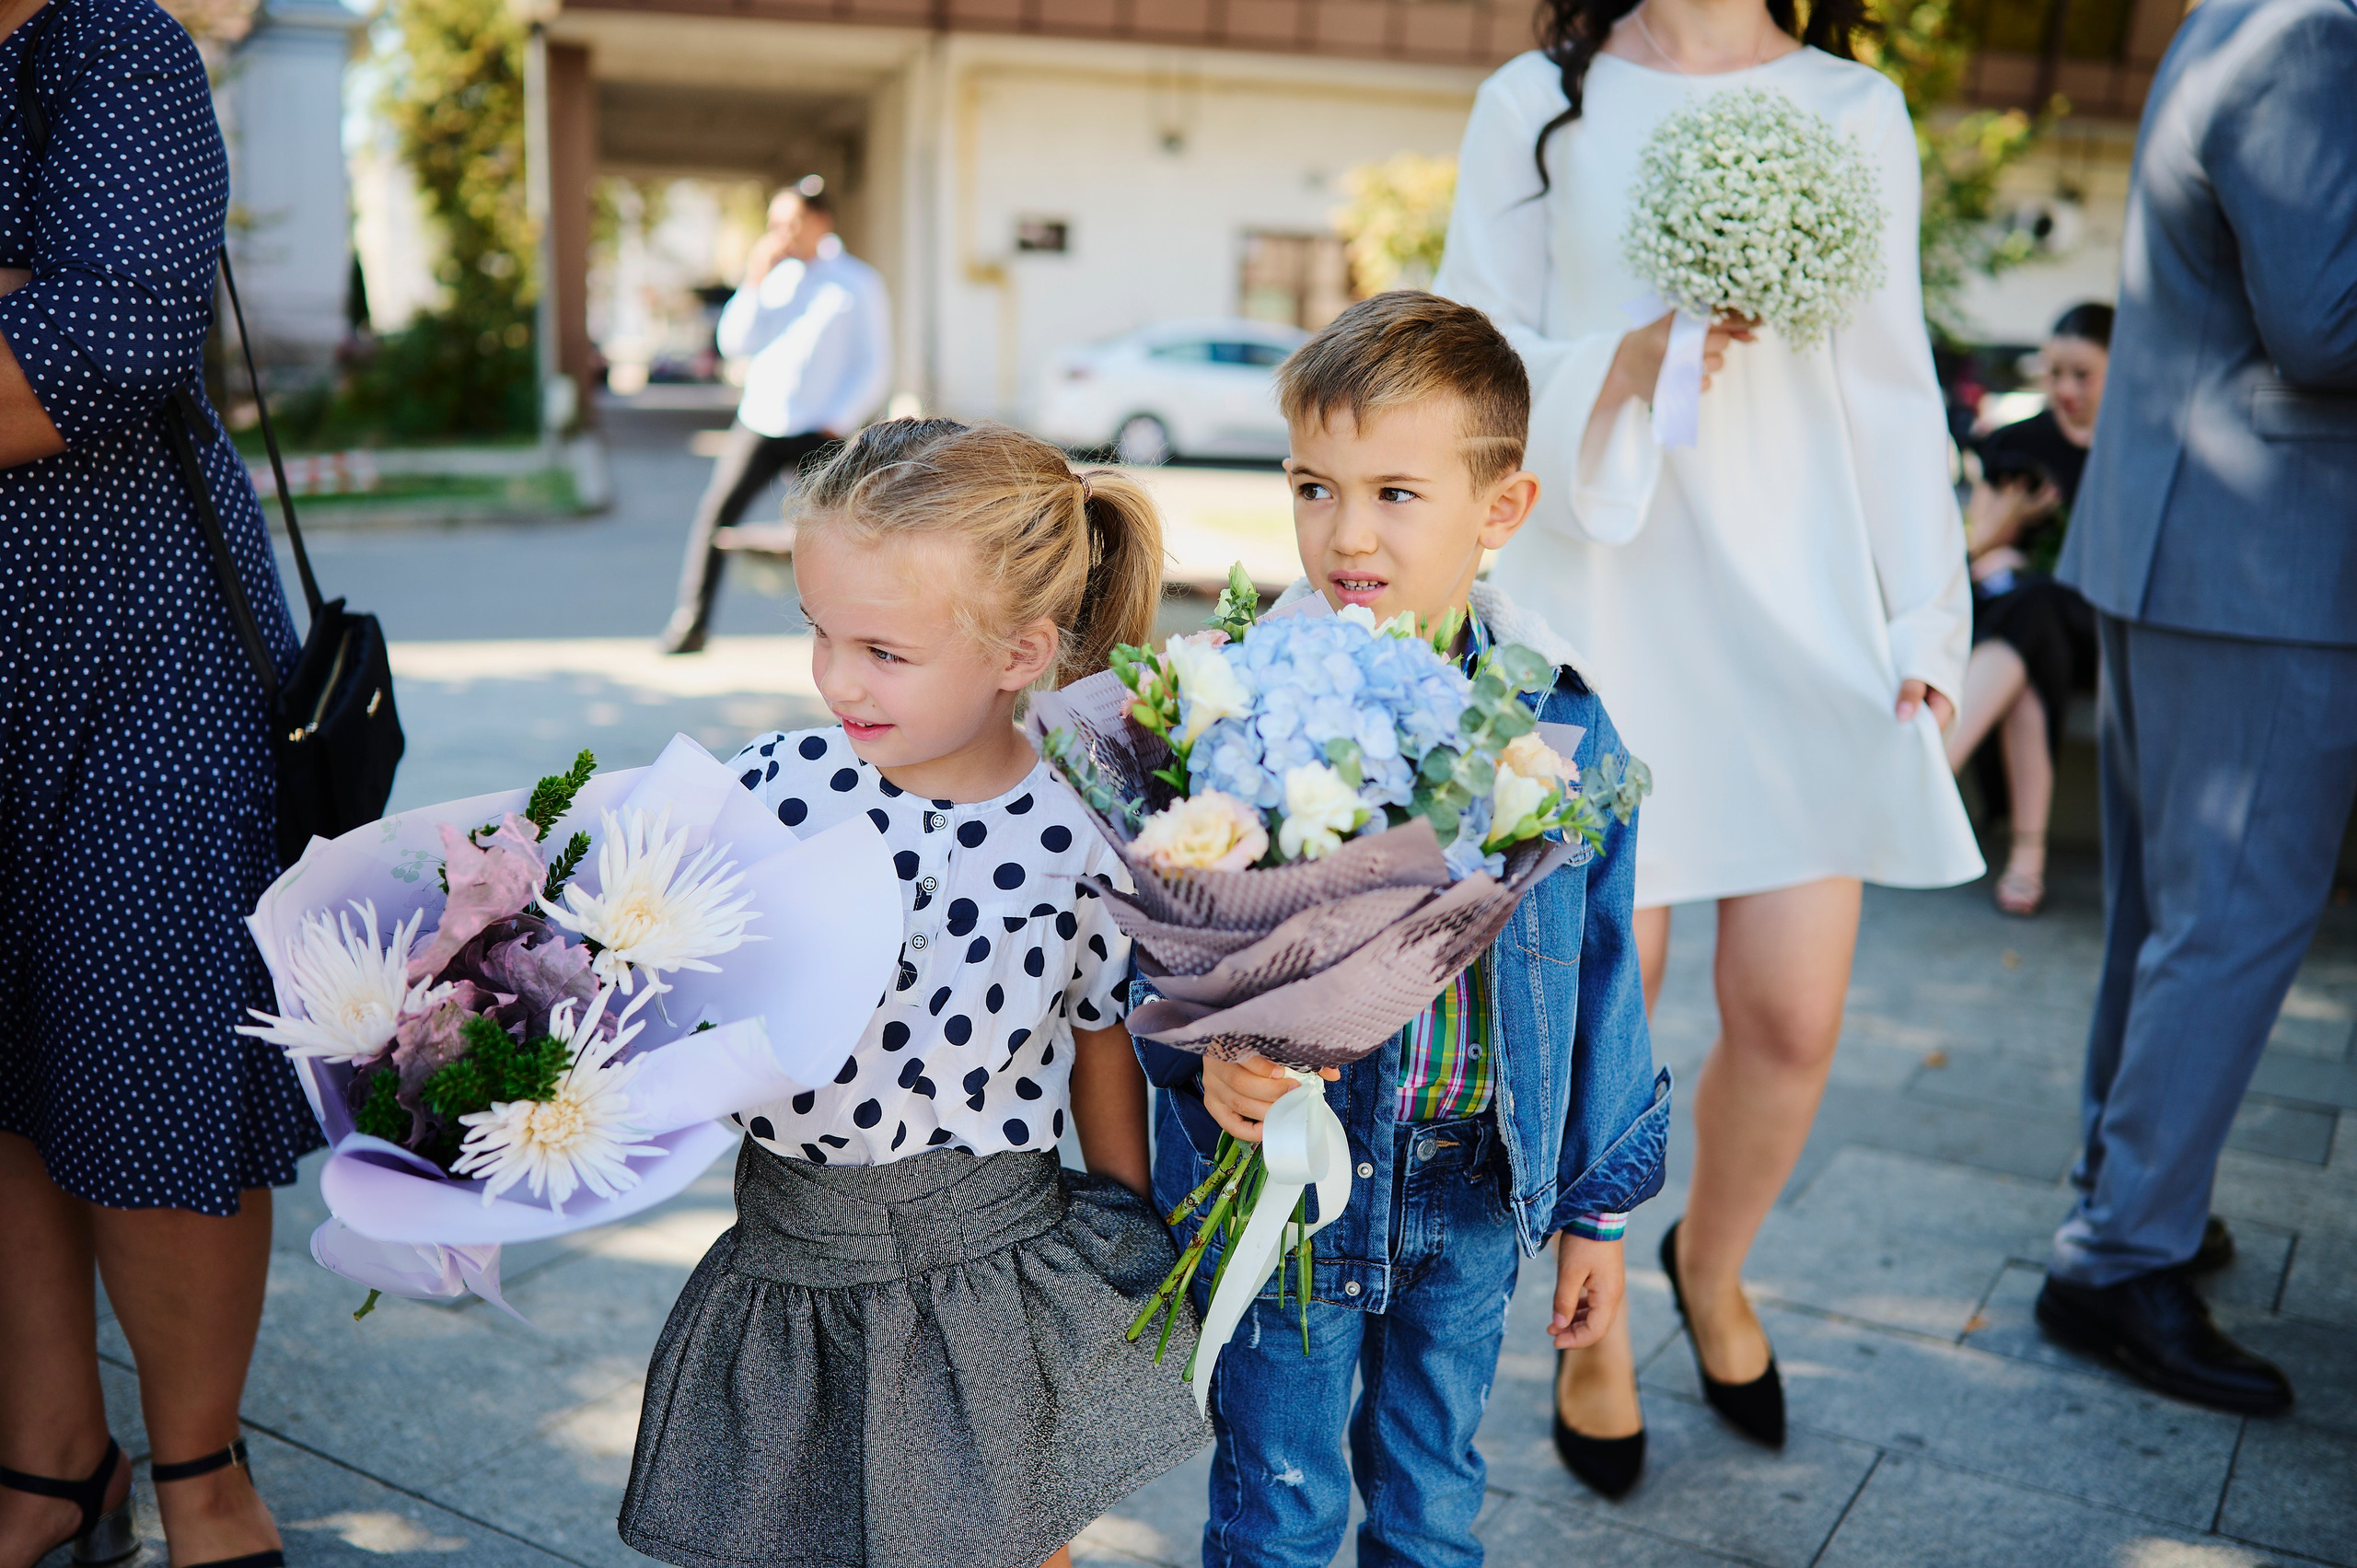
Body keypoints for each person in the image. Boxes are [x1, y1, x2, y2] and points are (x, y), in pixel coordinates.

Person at [1434, 0, 1982, 1496]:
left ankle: (1715, 1261)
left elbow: (1891, 390)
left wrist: (1926, 620)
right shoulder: (1533, 100)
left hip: (1802, 610)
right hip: (1603, 607)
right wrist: (1620, 361)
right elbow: (1462, 364)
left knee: (1794, 1014)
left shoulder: (1856, 112)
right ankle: (1593, 1323)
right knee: (1610, 998)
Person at [1136, 292, 1668, 1564]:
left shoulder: (1561, 723)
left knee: (1433, 1507)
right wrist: (1207, 1060)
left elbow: (1601, 971)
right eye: (1313, 487)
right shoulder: (1232, 694)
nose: (1347, 532)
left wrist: (1599, 1212)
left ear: (1502, 508)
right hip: (1290, 1180)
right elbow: (1157, 939)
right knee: (1276, 1511)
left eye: (1394, 493)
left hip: (1468, 1187)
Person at [619, 420, 1206, 1568]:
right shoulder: (772, 787)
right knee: (794, 1530)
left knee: (1006, 1539)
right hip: (794, 1257)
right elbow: (664, 981)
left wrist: (1130, 1228)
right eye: (819, 631)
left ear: (1019, 653)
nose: (838, 677)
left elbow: (1100, 1036)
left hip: (989, 1263)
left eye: (883, 651)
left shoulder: (1084, 828)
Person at [0, 2, 319, 1564]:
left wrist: (43, 319)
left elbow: (100, 354)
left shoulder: (105, 43)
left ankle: (206, 1479)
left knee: (149, 1047)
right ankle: (53, 1457)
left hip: (143, 651)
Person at [2033, 0, 2357, 1418]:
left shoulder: (2236, 14)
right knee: (2225, 923)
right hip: (2260, 563)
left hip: (2191, 546)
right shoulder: (2315, 34)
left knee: (2171, 918)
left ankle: (2128, 1192)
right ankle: (2118, 1254)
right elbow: (2325, 324)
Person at [657, 178, 890, 655]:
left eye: (793, 222)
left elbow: (874, 363)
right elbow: (733, 343)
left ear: (821, 222)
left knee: (837, 532)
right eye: (775, 223)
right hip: (761, 420)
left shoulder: (858, 282)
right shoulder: (774, 280)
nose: (783, 233)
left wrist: (838, 420)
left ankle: (849, 634)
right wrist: (754, 280)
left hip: (821, 429)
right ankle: (691, 623)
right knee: (717, 515)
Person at [1945, 303, 2112, 917]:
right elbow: (1965, 559)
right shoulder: (2017, 445)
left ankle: (1933, 771)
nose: (2065, 389)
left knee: (2037, 605)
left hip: (2099, 630)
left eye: (2082, 375)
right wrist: (2009, 525)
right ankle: (2026, 858)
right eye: (2054, 373)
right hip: (2029, 631)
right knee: (2034, 624)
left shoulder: (2136, 448)